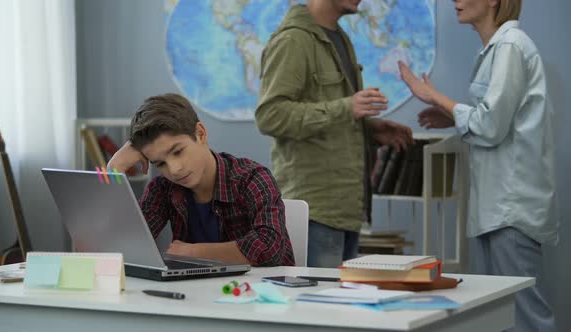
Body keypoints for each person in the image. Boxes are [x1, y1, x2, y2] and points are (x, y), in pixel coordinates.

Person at [399, 1, 557, 331]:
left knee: (524, 316)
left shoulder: (511, 47)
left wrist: (434, 97)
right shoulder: (494, 49)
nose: (455, 1)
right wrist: (453, 117)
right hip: (496, 209)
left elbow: (489, 125)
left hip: (509, 210)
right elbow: (496, 121)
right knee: (500, 316)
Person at [255, 0, 413, 268]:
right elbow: (271, 116)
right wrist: (346, 108)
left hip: (346, 210)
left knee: (341, 307)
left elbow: (328, 114)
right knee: (318, 307)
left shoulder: (339, 38)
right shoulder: (293, 40)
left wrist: (371, 130)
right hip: (317, 212)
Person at [108, 93, 295, 267]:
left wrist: (193, 252)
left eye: (178, 151)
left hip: (260, 296)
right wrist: (112, 171)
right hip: (197, 296)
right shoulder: (163, 188)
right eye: (161, 164)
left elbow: (270, 250)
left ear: (200, 133)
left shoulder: (253, 178)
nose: (175, 169)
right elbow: (123, 246)